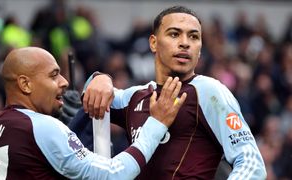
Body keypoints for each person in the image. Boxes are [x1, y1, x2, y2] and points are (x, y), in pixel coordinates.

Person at [82, 6, 267, 179]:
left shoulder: (210, 92)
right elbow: (89, 95)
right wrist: (100, 78)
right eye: (174, 34)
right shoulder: (134, 97)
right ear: (153, 43)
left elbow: (252, 163)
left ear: (200, 49)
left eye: (194, 37)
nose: (185, 43)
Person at [0, 47, 186, 179]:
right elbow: (114, 174)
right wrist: (156, 124)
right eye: (54, 75)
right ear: (25, 84)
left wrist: (99, 78)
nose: (64, 82)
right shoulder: (40, 126)